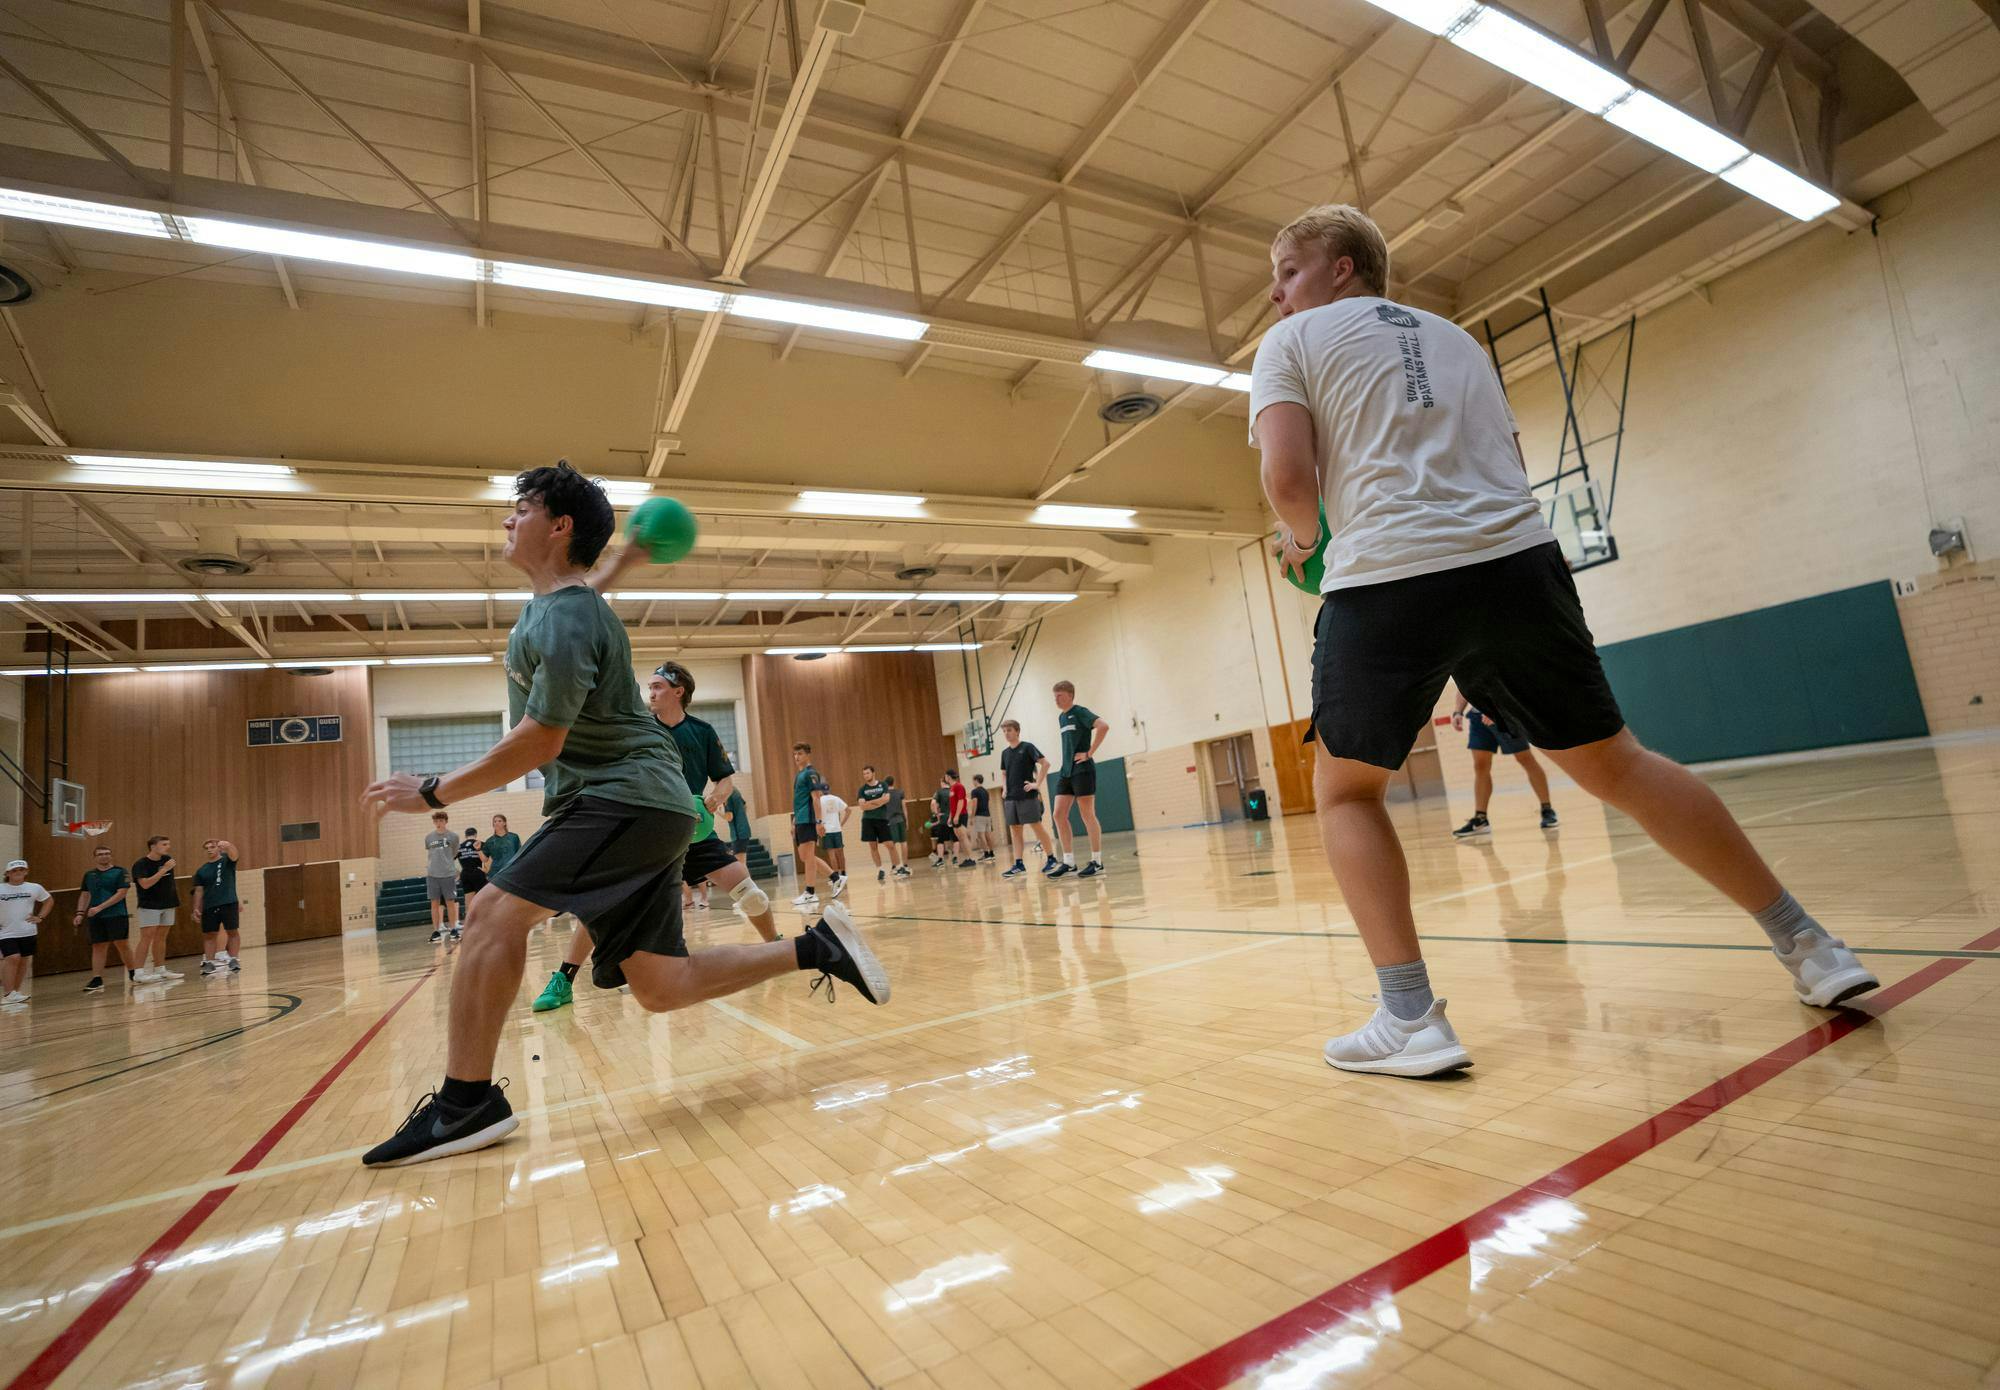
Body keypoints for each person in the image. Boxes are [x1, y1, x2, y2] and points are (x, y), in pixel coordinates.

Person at [1250, 203, 1876, 1079]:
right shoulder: (1456, 338)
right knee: (1619, 764)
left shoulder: (1292, 345)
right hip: (1516, 564)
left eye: (1287, 271)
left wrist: (1305, 541)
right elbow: (1506, 453)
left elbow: (1288, 478)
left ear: (1343, 267)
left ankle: (1410, 1017)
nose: (1275, 294)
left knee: (1349, 794)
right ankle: (1810, 946)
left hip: (1387, 574)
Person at [357, 462, 889, 1167]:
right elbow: (584, 597)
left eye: (520, 508)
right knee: (659, 986)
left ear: (559, 524)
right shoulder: (566, 606)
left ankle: (466, 1104)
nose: (507, 520)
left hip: (622, 796)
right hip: (643, 801)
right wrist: (626, 558)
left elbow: (539, 739)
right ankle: (817, 947)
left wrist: (433, 791)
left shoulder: (568, 615)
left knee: (489, 913)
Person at [533, 659, 787, 1014]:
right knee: (604, 906)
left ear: (678, 691)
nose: (650, 693)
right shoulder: (639, 729)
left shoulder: (701, 731)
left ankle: (775, 947)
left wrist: (715, 797)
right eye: (649, 687)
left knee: (751, 893)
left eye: (657, 687)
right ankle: (563, 980)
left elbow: (724, 778)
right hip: (646, 834)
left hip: (691, 830)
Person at [1450, 693, 1558, 839]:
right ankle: (1481, 819)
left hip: (1503, 715)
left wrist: (1496, 710)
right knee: (1480, 765)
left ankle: (1547, 809)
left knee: (1525, 759)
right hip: (1477, 717)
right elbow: (1463, 688)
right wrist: (1458, 711)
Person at [1050, 681, 1110, 879]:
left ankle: (1097, 861)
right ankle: (1068, 862)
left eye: (1059, 695)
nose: (1056, 699)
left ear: (1069, 695)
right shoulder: (1061, 717)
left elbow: (1103, 726)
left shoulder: (1081, 711)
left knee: (1087, 815)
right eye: (1054, 696)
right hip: (1065, 771)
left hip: (1082, 769)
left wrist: (1089, 753)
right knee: (1058, 814)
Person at [997, 719, 1059, 877]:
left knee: (1036, 826)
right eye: (1004, 731)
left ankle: (1051, 858)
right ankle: (1018, 864)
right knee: (1016, 831)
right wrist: (1004, 788)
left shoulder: (1027, 747)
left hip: (1027, 795)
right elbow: (1004, 773)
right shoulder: (1005, 753)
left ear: (1017, 731)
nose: (1006, 733)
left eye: (1009, 730)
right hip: (1011, 797)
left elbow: (1045, 764)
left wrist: (1037, 784)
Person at [74, 843, 137, 993]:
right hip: (95, 917)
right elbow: (85, 894)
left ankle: (134, 972)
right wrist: (79, 913)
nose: (104, 856)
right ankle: (97, 979)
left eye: (107, 853)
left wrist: (100, 907)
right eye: (101, 854)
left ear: (111, 855)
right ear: (95, 857)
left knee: (122, 944)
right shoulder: (89, 875)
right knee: (98, 946)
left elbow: (121, 892)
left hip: (116, 914)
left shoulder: (120, 872)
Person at [132, 835, 184, 982]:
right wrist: (164, 870)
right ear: (153, 846)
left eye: (168, 844)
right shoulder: (141, 864)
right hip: (150, 905)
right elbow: (145, 884)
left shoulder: (167, 859)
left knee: (161, 938)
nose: (168, 847)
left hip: (168, 903)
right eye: (164, 844)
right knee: (146, 938)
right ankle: (139, 973)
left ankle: (160, 969)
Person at [790, 742, 834, 910]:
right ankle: (835, 877)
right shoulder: (799, 775)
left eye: (800, 754)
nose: (796, 757)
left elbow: (816, 797)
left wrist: (819, 822)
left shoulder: (810, 773)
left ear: (808, 754)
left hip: (809, 819)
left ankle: (810, 892)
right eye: (795, 754)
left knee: (808, 856)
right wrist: (794, 821)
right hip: (800, 819)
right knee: (804, 856)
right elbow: (799, 800)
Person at [0, 859, 51, 1006]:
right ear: (8, 873)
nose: (18, 873)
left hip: (27, 931)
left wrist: (40, 917)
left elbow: (48, 901)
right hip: (6, 932)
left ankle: (15, 991)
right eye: (14, 870)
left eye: (21, 870)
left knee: (23, 961)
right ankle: (8, 993)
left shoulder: (34, 888)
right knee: (12, 958)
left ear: (26, 872)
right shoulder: (1, 889)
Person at [192, 838, 242, 975]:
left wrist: (229, 845)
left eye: (212, 847)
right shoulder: (202, 870)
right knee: (209, 934)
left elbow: (235, 855)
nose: (209, 849)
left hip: (228, 902)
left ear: (219, 848)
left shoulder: (226, 860)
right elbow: (198, 890)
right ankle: (209, 962)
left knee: (232, 931)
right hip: (209, 905)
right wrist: (196, 907)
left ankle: (233, 959)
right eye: (207, 848)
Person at [423, 811, 461, 943]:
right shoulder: (428, 837)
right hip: (432, 874)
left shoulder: (453, 836)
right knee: (434, 903)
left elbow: (454, 852)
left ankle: (453, 929)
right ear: (434, 822)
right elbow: (431, 854)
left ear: (446, 821)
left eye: (441, 821)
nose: (439, 823)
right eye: (436, 821)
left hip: (448, 874)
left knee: (450, 902)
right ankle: (436, 931)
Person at [856, 765, 898, 881]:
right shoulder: (862, 789)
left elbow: (887, 799)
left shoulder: (883, 785)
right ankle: (880, 870)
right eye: (864, 774)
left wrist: (870, 802)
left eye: (868, 773)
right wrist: (879, 802)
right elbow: (863, 807)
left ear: (873, 773)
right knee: (873, 846)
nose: (866, 776)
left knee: (890, 844)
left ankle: (896, 867)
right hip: (868, 820)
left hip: (882, 819)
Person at [818, 788, 850, 888]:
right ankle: (844, 874)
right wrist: (841, 824)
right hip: (837, 829)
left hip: (826, 830)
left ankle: (836, 877)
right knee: (840, 853)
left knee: (832, 854)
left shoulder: (819, 800)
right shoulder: (836, 798)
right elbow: (848, 810)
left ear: (820, 791)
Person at [882, 777, 911, 878]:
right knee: (904, 842)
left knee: (892, 845)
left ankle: (894, 866)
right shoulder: (900, 792)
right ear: (893, 783)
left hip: (890, 822)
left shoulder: (885, 795)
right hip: (900, 819)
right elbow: (904, 808)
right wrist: (906, 821)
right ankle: (905, 865)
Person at [457, 826, 488, 907]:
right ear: (475, 834)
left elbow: (449, 860)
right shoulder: (481, 844)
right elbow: (488, 858)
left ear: (465, 836)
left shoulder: (459, 847)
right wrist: (487, 869)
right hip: (477, 872)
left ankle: (469, 917)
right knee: (482, 897)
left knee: (468, 898)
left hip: (465, 873)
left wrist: (457, 873)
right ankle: (483, 917)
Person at [968, 775, 996, 862]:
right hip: (987, 815)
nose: (972, 783)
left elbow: (974, 804)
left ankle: (986, 854)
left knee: (981, 835)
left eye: (973, 781)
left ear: (976, 780)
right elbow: (987, 803)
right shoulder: (985, 791)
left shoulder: (974, 791)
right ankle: (991, 853)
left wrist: (972, 816)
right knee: (988, 835)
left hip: (979, 815)